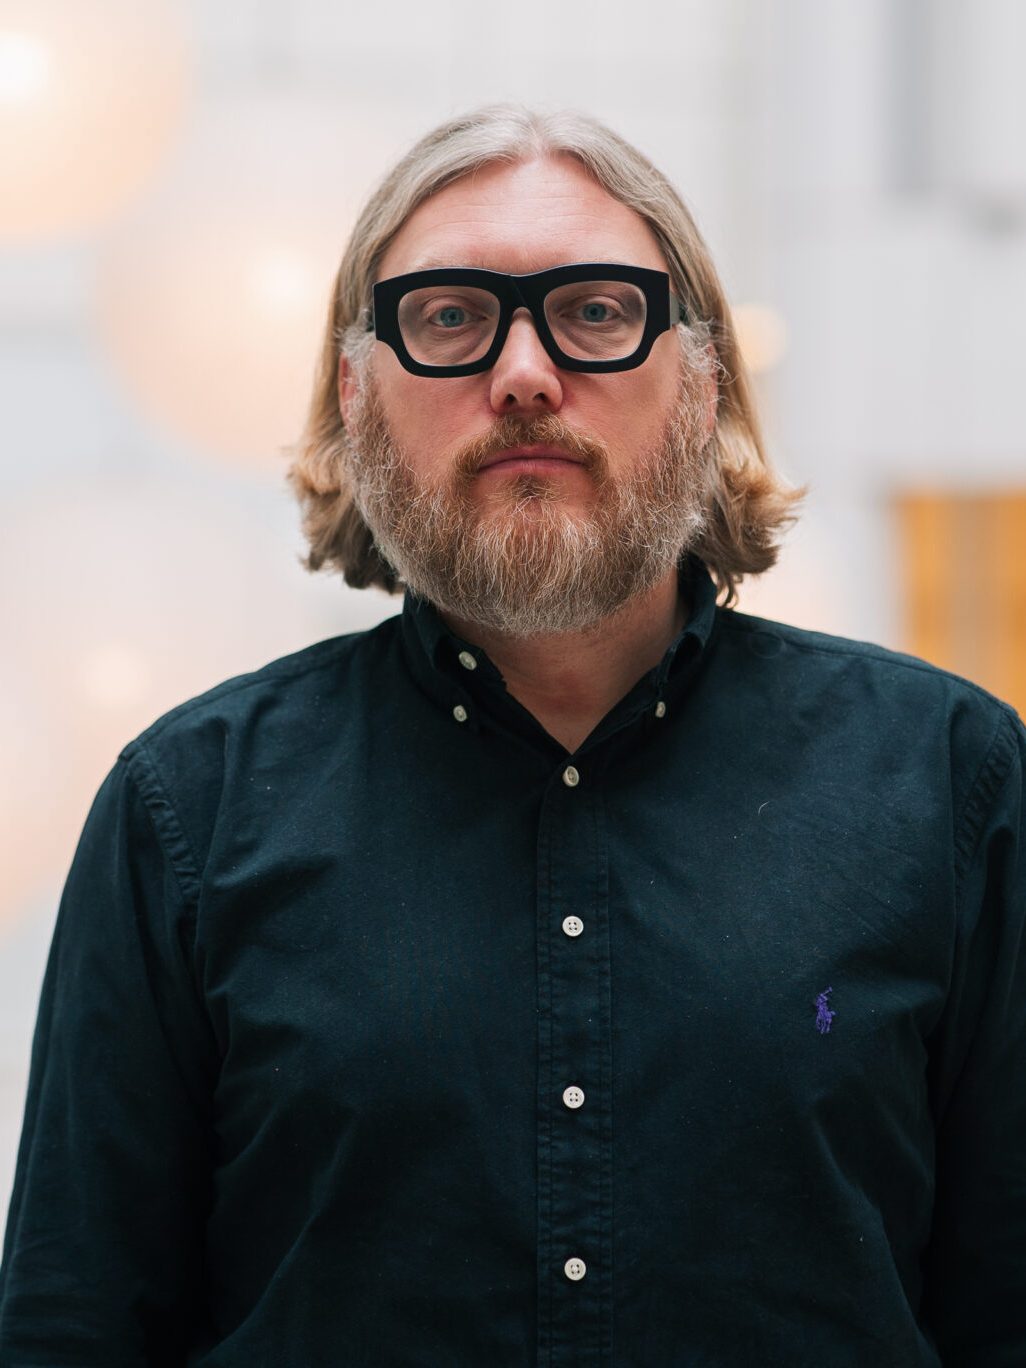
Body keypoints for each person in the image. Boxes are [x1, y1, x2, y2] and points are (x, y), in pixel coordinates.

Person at [0, 103, 1023, 1367]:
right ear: (356, 391)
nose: (526, 374)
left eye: (595, 311)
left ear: (703, 380)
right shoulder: (185, 812)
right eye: (448, 317)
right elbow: (74, 1328)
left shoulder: (951, 782)